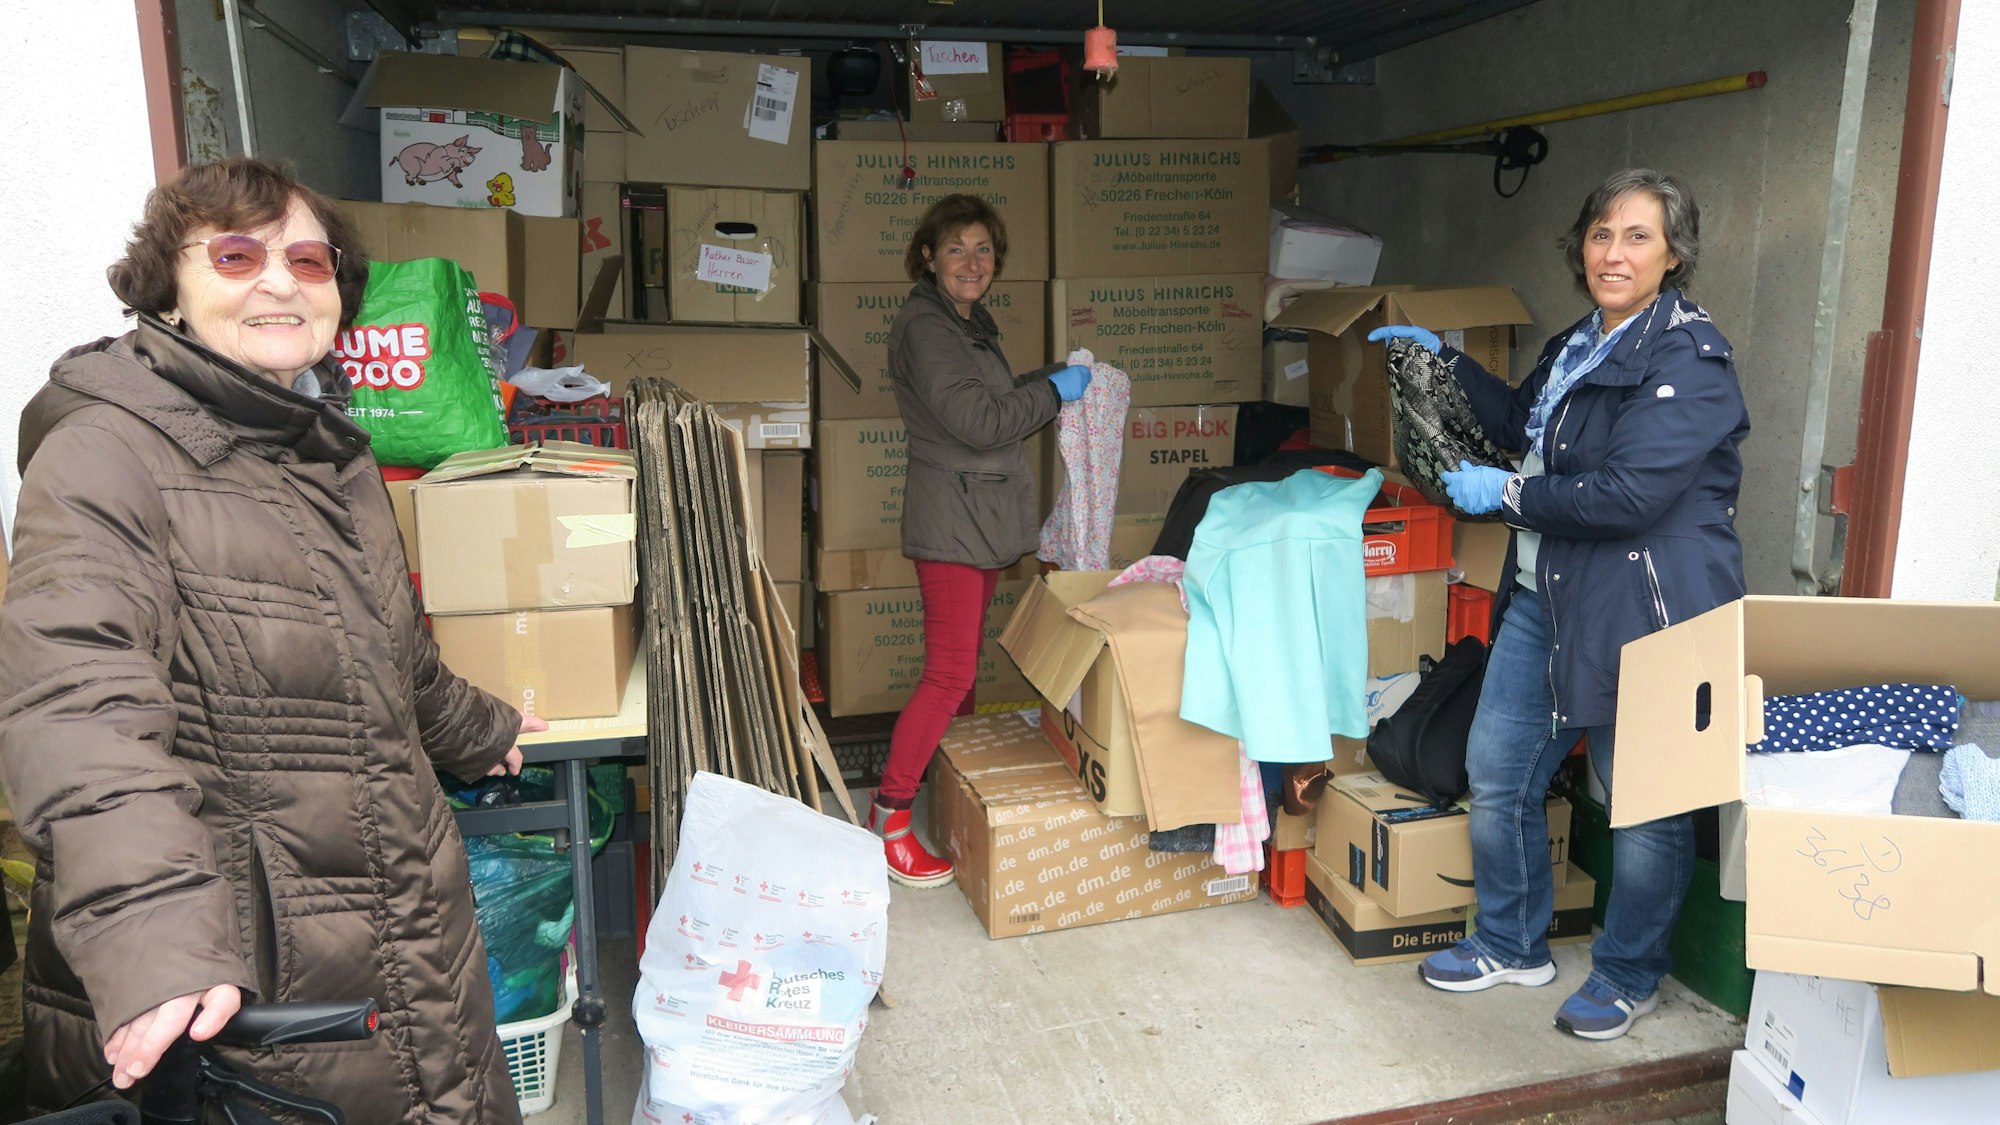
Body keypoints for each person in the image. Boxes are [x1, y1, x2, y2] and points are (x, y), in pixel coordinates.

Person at [0, 157, 545, 1120]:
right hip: (247, 975)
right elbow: (81, 702)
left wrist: (480, 727)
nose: (281, 279)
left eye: (308, 257)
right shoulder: (104, 451)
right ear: (166, 286)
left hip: (399, 926)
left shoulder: (321, 449)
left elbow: (389, 647)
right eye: (238, 253)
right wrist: (155, 940)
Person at [1368, 168, 1749, 1040]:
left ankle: (1626, 972)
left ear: (1675, 253)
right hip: (1549, 594)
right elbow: (1520, 421)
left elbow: (1625, 495)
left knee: (1642, 803)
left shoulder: (1690, 356)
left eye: (1637, 236)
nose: (1614, 253)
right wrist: (1442, 358)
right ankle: (1510, 941)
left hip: (1647, 614)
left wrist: (1504, 496)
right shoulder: (1587, 340)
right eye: (1601, 234)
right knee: (1500, 770)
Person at [867, 193, 1091, 886]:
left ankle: (947, 798)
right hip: (953, 522)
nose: (972, 261)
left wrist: (1045, 378)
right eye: (957, 248)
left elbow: (992, 397)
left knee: (956, 677)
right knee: (950, 675)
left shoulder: (966, 323)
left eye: (984, 249)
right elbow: (979, 419)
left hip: (978, 517)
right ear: (929, 257)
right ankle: (890, 817)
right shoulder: (928, 327)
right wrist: (1055, 394)